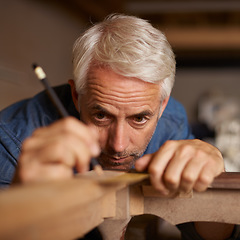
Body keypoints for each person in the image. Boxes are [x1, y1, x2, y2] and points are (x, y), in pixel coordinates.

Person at [0, 14, 239, 240]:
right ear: (76, 95)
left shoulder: (170, 120)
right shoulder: (12, 142)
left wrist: (215, 187)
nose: (118, 145)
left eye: (139, 119)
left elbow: (205, 233)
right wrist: (24, 212)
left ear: (162, 105)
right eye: (102, 115)